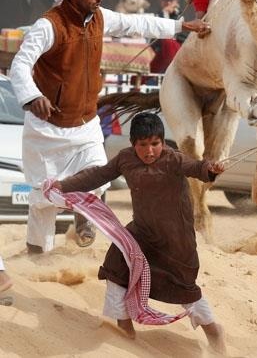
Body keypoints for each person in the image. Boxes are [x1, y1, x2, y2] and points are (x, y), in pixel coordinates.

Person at [9, 0, 211, 255]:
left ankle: (84, 221)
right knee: (44, 200)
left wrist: (180, 26)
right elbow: (20, 65)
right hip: (47, 131)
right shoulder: (48, 26)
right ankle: (37, 259)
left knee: (96, 178)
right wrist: (31, 97)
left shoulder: (100, 18)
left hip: (86, 124)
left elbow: (139, 24)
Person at [52, 112, 227, 351]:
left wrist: (212, 169)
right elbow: (97, 175)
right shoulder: (125, 159)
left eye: (155, 144)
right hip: (141, 233)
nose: (149, 151)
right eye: (142, 145)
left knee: (185, 290)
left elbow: (197, 167)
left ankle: (213, 330)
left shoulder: (173, 159)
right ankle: (123, 329)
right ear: (133, 144)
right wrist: (63, 185)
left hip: (176, 241)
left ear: (162, 143)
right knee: (115, 267)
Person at [149, 0, 185, 74]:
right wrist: (164, 13)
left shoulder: (179, 16)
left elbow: (182, 37)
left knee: (168, 41)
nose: (168, 3)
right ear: (161, 1)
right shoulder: (158, 16)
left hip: (176, 56)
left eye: (170, 0)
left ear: (176, 1)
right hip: (160, 54)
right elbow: (153, 40)